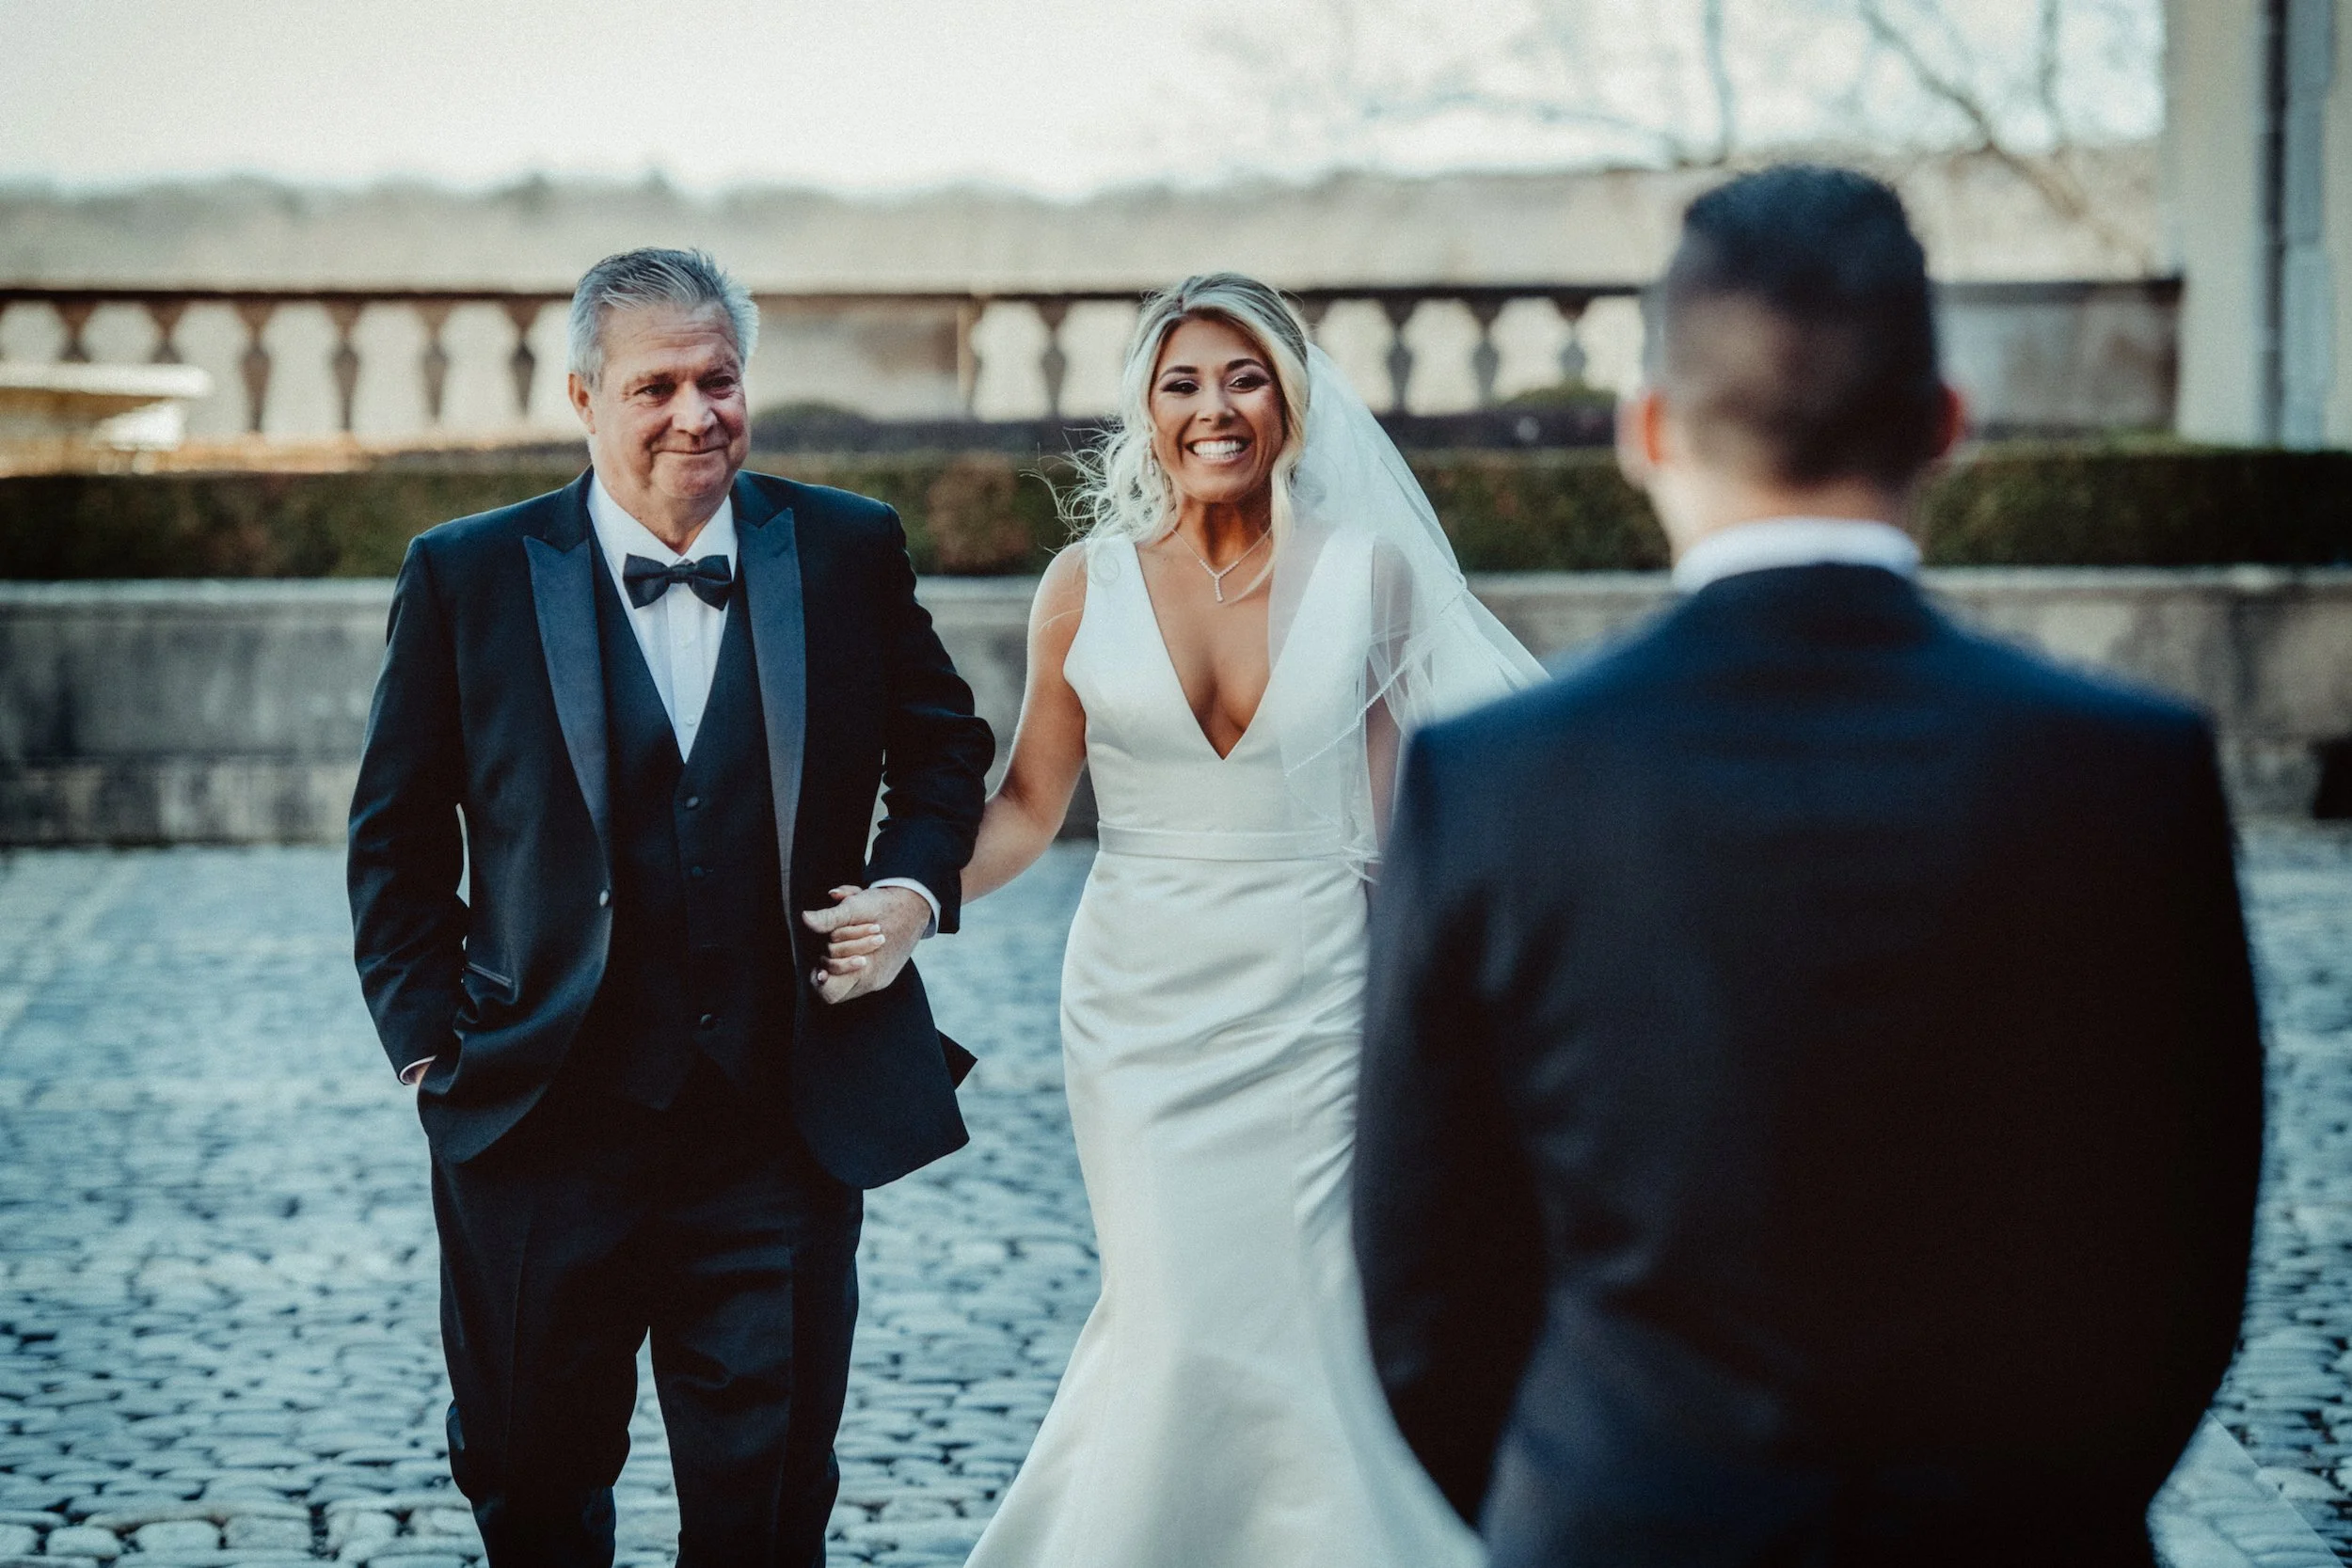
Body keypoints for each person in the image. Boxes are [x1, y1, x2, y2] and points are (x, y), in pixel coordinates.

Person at [1354, 165, 2265, 1568]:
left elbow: (1421, 1282)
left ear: (1647, 428)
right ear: (1947, 424)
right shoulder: (2127, 772)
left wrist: (1584, 1499)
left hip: (1629, 1522)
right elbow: (2186, 1252)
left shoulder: (1495, 783)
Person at [347, 247, 993, 1567]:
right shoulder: (467, 575)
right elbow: (395, 839)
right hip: (538, 1122)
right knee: (530, 1486)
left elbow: (945, 749)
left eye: (720, 379)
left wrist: (914, 888)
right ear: (584, 396)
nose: (696, 412)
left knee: (766, 1510)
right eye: (657, 385)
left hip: (779, 1116)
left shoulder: (846, 547)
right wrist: (429, 1048)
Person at [906, 273, 1542, 1565]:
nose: (1216, 407)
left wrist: (1439, 1017)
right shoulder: (1082, 586)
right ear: (1146, 407)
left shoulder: (1372, 580)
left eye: (1245, 377)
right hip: (1139, 1000)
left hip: (1316, 992)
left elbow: (1400, 826)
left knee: (1311, 1313)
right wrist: (909, 895)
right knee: (1174, 1308)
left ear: (1291, 401)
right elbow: (1029, 805)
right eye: (1184, 381)